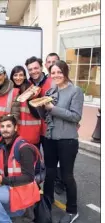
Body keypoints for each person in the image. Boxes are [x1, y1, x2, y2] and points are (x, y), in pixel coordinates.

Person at [37, 60, 84, 223]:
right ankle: (47, 202)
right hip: (50, 138)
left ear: (65, 72)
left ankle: (72, 210)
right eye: (53, 72)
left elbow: (75, 116)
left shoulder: (75, 91)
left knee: (66, 176)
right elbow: (45, 116)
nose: (56, 75)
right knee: (49, 173)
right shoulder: (51, 90)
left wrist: (52, 108)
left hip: (67, 140)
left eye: (59, 72)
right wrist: (39, 106)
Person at [44, 52, 66, 195]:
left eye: (54, 61)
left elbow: (74, 114)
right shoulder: (47, 84)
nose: (51, 64)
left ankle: (61, 182)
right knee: (50, 165)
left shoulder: (69, 87)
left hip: (63, 132)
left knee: (63, 165)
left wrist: (52, 108)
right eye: (49, 62)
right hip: (48, 131)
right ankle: (48, 195)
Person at [9, 66, 41, 146]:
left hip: (30, 134)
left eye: (21, 75)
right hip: (15, 134)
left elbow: (38, 114)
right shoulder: (10, 91)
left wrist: (29, 98)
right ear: (12, 77)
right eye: (15, 75)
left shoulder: (31, 90)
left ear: (25, 77)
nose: (18, 78)